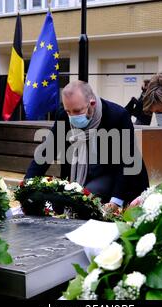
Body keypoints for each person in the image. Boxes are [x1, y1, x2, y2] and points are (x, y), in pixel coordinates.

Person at [25, 80, 149, 212]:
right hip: (81, 173)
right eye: (69, 111)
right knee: (59, 204)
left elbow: (127, 161)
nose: (72, 116)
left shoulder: (117, 116)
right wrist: (27, 184)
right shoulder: (63, 116)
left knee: (82, 199)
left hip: (114, 174)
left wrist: (116, 200)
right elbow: (48, 150)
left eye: (77, 111)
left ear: (92, 104)